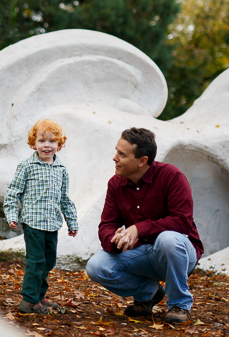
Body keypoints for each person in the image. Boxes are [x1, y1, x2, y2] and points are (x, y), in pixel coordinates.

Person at [85, 127, 203, 324]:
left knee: (168, 239)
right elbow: (107, 224)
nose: (115, 158)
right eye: (116, 151)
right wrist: (115, 241)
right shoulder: (115, 184)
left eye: (122, 154)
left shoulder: (172, 176)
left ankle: (179, 305)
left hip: (179, 252)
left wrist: (139, 229)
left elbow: (182, 221)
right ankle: (148, 292)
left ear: (142, 161)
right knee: (96, 266)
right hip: (142, 253)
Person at [4, 119, 79, 315]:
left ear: (59, 145)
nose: (47, 145)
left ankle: (39, 296)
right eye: (42, 141)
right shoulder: (27, 166)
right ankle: (28, 301)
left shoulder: (61, 169)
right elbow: (13, 193)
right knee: (36, 262)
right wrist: (12, 215)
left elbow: (64, 199)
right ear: (33, 143)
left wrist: (72, 221)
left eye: (52, 141)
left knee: (48, 262)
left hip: (52, 224)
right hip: (33, 223)